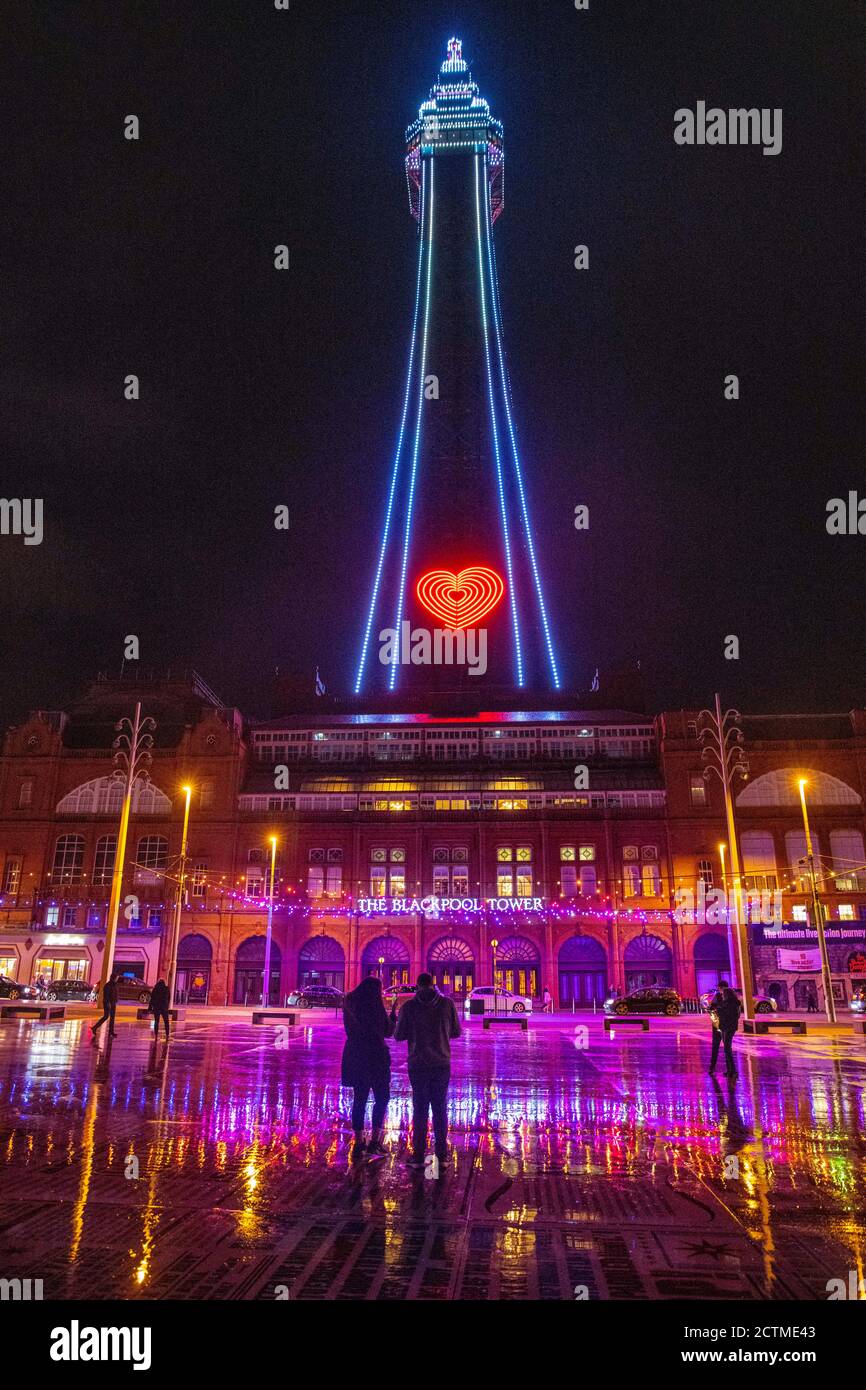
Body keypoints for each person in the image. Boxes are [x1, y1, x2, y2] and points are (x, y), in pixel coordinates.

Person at [394, 972, 461, 1169]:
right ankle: (441, 1154)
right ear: (433, 985)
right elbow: (457, 1032)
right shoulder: (447, 1004)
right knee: (440, 1107)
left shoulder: (409, 1007)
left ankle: (418, 1154)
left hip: (418, 1063)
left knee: (420, 1108)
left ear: (417, 985)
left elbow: (398, 1035)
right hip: (441, 1062)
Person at [341, 975, 396, 1161]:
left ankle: (358, 1142)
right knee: (382, 1098)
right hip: (376, 1057)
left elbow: (351, 1030)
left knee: (359, 1099)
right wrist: (393, 1016)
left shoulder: (351, 1004)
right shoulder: (375, 1006)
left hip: (356, 1056)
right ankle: (375, 1141)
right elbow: (389, 1031)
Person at [708, 980, 742, 1078]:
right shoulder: (727, 998)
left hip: (723, 1025)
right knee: (723, 1047)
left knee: (724, 1048)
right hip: (721, 1025)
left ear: (723, 988)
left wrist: (717, 1010)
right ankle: (727, 1070)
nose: (719, 990)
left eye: (719, 988)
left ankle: (729, 1070)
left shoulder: (728, 999)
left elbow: (725, 1011)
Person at [91, 972, 119, 1041]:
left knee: (112, 1018)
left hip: (113, 1003)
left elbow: (115, 994)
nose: (117, 979)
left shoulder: (115, 985)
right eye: (117, 978)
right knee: (106, 1016)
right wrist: (108, 1003)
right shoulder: (108, 985)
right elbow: (106, 996)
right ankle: (95, 1027)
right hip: (108, 1003)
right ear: (113, 978)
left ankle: (111, 1032)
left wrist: (116, 1000)